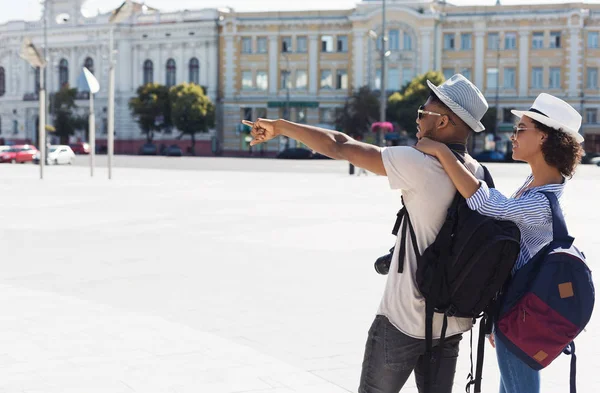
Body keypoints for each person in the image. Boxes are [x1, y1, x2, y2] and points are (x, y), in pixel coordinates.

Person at [243, 74, 489, 393]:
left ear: (443, 121)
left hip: (403, 321)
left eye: (421, 112)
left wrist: (280, 126)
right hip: (450, 325)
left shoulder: (418, 163)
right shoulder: (479, 174)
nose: (416, 119)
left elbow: (340, 145)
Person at [414, 93, 584, 393]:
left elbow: (486, 203)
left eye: (521, 129)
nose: (513, 135)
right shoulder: (539, 185)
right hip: (516, 311)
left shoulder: (542, 203)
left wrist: (442, 152)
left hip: (522, 315)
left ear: (544, 138)